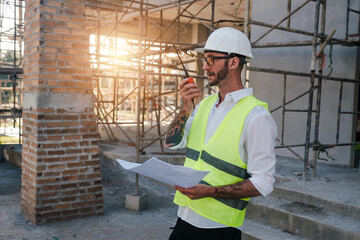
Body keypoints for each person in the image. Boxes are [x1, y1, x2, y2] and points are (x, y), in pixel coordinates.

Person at [164, 27, 277, 240]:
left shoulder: (256, 116)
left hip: (219, 229)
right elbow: (172, 144)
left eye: (210, 59)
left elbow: (263, 182)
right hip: (184, 218)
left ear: (233, 62)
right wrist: (185, 109)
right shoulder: (205, 105)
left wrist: (208, 192)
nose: (204, 66)